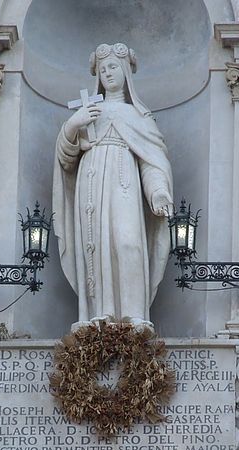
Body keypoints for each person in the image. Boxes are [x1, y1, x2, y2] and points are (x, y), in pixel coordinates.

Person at [52, 42, 174, 329]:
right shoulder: (88, 111)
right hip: (91, 185)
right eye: (103, 68)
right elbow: (65, 159)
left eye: (113, 68)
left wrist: (158, 190)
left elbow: (152, 159)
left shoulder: (138, 116)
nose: (107, 73)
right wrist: (72, 125)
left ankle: (133, 316)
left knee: (127, 242)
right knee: (95, 246)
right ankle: (99, 314)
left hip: (125, 185)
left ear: (125, 73)